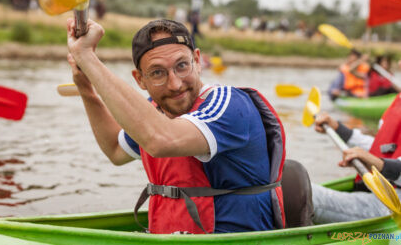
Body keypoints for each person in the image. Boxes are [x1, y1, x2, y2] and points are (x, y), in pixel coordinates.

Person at [66, 18, 286, 234]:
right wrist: (86, 88)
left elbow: (162, 140)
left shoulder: (230, 105)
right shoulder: (153, 115)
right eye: (158, 73)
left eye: (182, 66)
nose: (175, 84)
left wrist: (86, 56)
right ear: (140, 80)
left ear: (197, 61)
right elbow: (115, 149)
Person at [312, 61, 401, 224]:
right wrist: (338, 128)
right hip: (378, 192)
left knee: (301, 193)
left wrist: (374, 161)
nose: (399, 63)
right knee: (294, 183)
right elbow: (386, 147)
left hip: (392, 205)